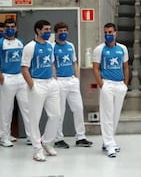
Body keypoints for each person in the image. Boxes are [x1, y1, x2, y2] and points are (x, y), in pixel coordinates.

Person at [21, 19, 61, 162]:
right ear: (38, 30)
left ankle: (47, 142)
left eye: (49, 29)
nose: (48, 32)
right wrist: (32, 86)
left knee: (56, 115)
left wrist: (55, 80)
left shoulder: (50, 46)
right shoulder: (30, 47)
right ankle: (37, 149)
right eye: (45, 29)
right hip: (37, 84)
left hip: (51, 84)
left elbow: (51, 64)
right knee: (34, 119)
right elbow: (24, 69)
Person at [52, 22, 93, 148]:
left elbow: (74, 62)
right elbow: (52, 64)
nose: (63, 33)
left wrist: (77, 78)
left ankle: (80, 137)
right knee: (60, 111)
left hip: (72, 81)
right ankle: (58, 138)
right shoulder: (52, 47)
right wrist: (55, 79)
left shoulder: (70, 46)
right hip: (60, 81)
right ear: (56, 33)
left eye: (65, 30)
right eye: (60, 31)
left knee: (78, 108)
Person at [0, 18, 31, 147]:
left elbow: (25, 61)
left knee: (26, 107)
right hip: (7, 78)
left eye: (12, 26)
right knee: (6, 109)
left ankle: (31, 136)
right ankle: (4, 137)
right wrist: (2, 79)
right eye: (7, 26)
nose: (10, 29)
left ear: (16, 28)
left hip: (21, 78)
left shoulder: (20, 43)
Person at [92, 23, 129, 158]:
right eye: (106, 32)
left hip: (120, 85)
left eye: (110, 32)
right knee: (107, 115)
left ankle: (108, 140)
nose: (108, 34)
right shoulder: (99, 49)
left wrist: (125, 84)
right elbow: (95, 68)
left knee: (115, 115)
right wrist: (101, 84)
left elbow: (125, 67)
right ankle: (110, 145)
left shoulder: (123, 49)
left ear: (115, 33)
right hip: (107, 84)